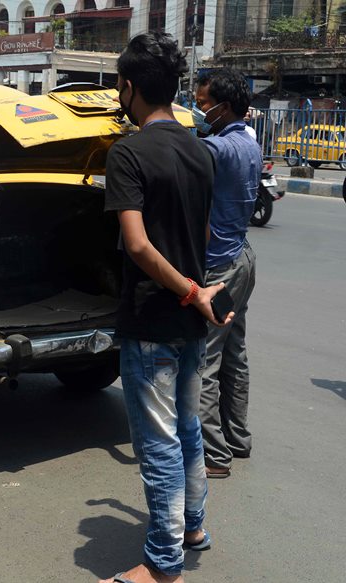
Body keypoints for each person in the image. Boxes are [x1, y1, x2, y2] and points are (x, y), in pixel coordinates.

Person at [100, 32, 233, 583]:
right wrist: (197, 290)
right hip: (189, 319)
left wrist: (186, 290)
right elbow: (202, 232)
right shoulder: (200, 149)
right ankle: (193, 526)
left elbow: (136, 244)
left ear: (129, 88)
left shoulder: (128, 152)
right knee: (186, 429)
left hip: (157, 314)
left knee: (158, 443)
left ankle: (162, 564)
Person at [193, 69, 262, 479]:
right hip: (242, 257)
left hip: (219, 266)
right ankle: (237, 438)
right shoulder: (249, 141)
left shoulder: (217, 149)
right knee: (235, 353)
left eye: (204, 103)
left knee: (206, 361)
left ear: (225, 106)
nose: (200, 110)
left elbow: (187, 155)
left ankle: (214, 455)